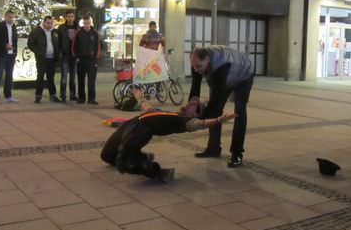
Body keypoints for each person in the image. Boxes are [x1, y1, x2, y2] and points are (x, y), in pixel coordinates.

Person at [101, 88, 235, 183]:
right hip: (131, 125)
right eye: (191, 102)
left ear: (196, 114)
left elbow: (201, 124)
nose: (189, 103)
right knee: (107, 155)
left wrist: (218, 120)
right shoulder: (169, 114)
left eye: (194, 105)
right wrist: (138, 95)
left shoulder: (185, 122)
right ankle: (141, 156)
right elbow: (147, 108)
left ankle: (159, 172)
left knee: (124, 164)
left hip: (139, 132)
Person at [189, 46, 254, 168]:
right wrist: (191, 107)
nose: (196, 70)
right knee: (214, 113)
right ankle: (213, 148)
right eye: (194, 66)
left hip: (243, 76)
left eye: (199, 67)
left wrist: (199, 118)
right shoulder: (196, 62)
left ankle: (237, 153)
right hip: (225, 77)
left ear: (207, 59)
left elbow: (214, 102)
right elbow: (195, 87)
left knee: (239, 113)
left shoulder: (220, 67)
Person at [27, 16, 62, 104]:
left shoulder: (55, 32)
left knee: (51, 78)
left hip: (52, 59)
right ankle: (38, 96)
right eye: (48, 23)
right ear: (44, 22)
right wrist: (37, 52)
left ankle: (53, 95)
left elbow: (59, 43)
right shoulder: (36, 32)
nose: (50, 25)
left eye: (51, 23)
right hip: (41, 59)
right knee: (40, 77)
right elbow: (30, 44)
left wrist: (58, 52)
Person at [0, 10, 19, 105]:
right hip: (1, 54)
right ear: (5, 17)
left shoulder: (14, 27)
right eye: (9, 17)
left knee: (9, 75)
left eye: (12, 17)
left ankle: (8, 95)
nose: (11, 19)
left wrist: (15, 51)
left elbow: (15, 39)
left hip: (11, 54)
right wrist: (4, 45)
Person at [72, 13, 101, 105]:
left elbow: (98, 46)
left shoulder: (95, 33)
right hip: (81, 60)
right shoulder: (79, 33)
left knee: (91, 80)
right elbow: (74, 46)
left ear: (91, 23)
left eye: (88, 23)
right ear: (83, 23)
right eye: (85, 23)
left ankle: (91, 99)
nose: (86, 25)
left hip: (92, 60)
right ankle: (81, 98)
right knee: (81, 80)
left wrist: (96, 58)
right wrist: (76, 57)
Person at [57, 10, 78, 102]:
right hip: (65, 55)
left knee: (73, 77)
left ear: (74, 17)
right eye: (68, 16)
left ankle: (72, 95)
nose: (70, 18)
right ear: (66, 17)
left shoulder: (78, 28)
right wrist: (59, 52)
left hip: (74, 55)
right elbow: (57, 42)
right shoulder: (61, 28)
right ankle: (63, 95)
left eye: (72, 16)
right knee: (64, 77)